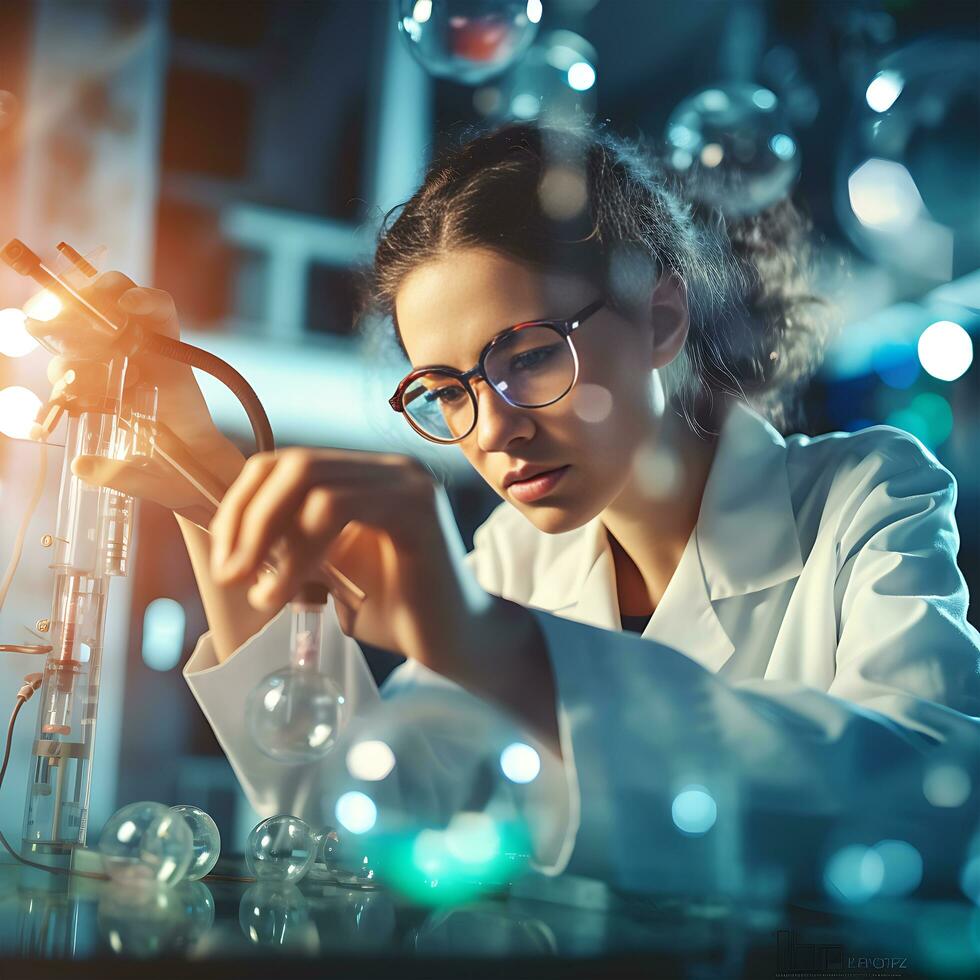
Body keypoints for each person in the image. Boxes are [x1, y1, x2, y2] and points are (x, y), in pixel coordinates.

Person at [40, 122, 980, 896]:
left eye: (526, 356)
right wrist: (206, 473)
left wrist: (491, 644)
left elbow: (932, 794)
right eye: (447, 391)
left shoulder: (864, 493)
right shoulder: (518, 558)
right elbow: (355, 812)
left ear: (660, 319)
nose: (492, 432)